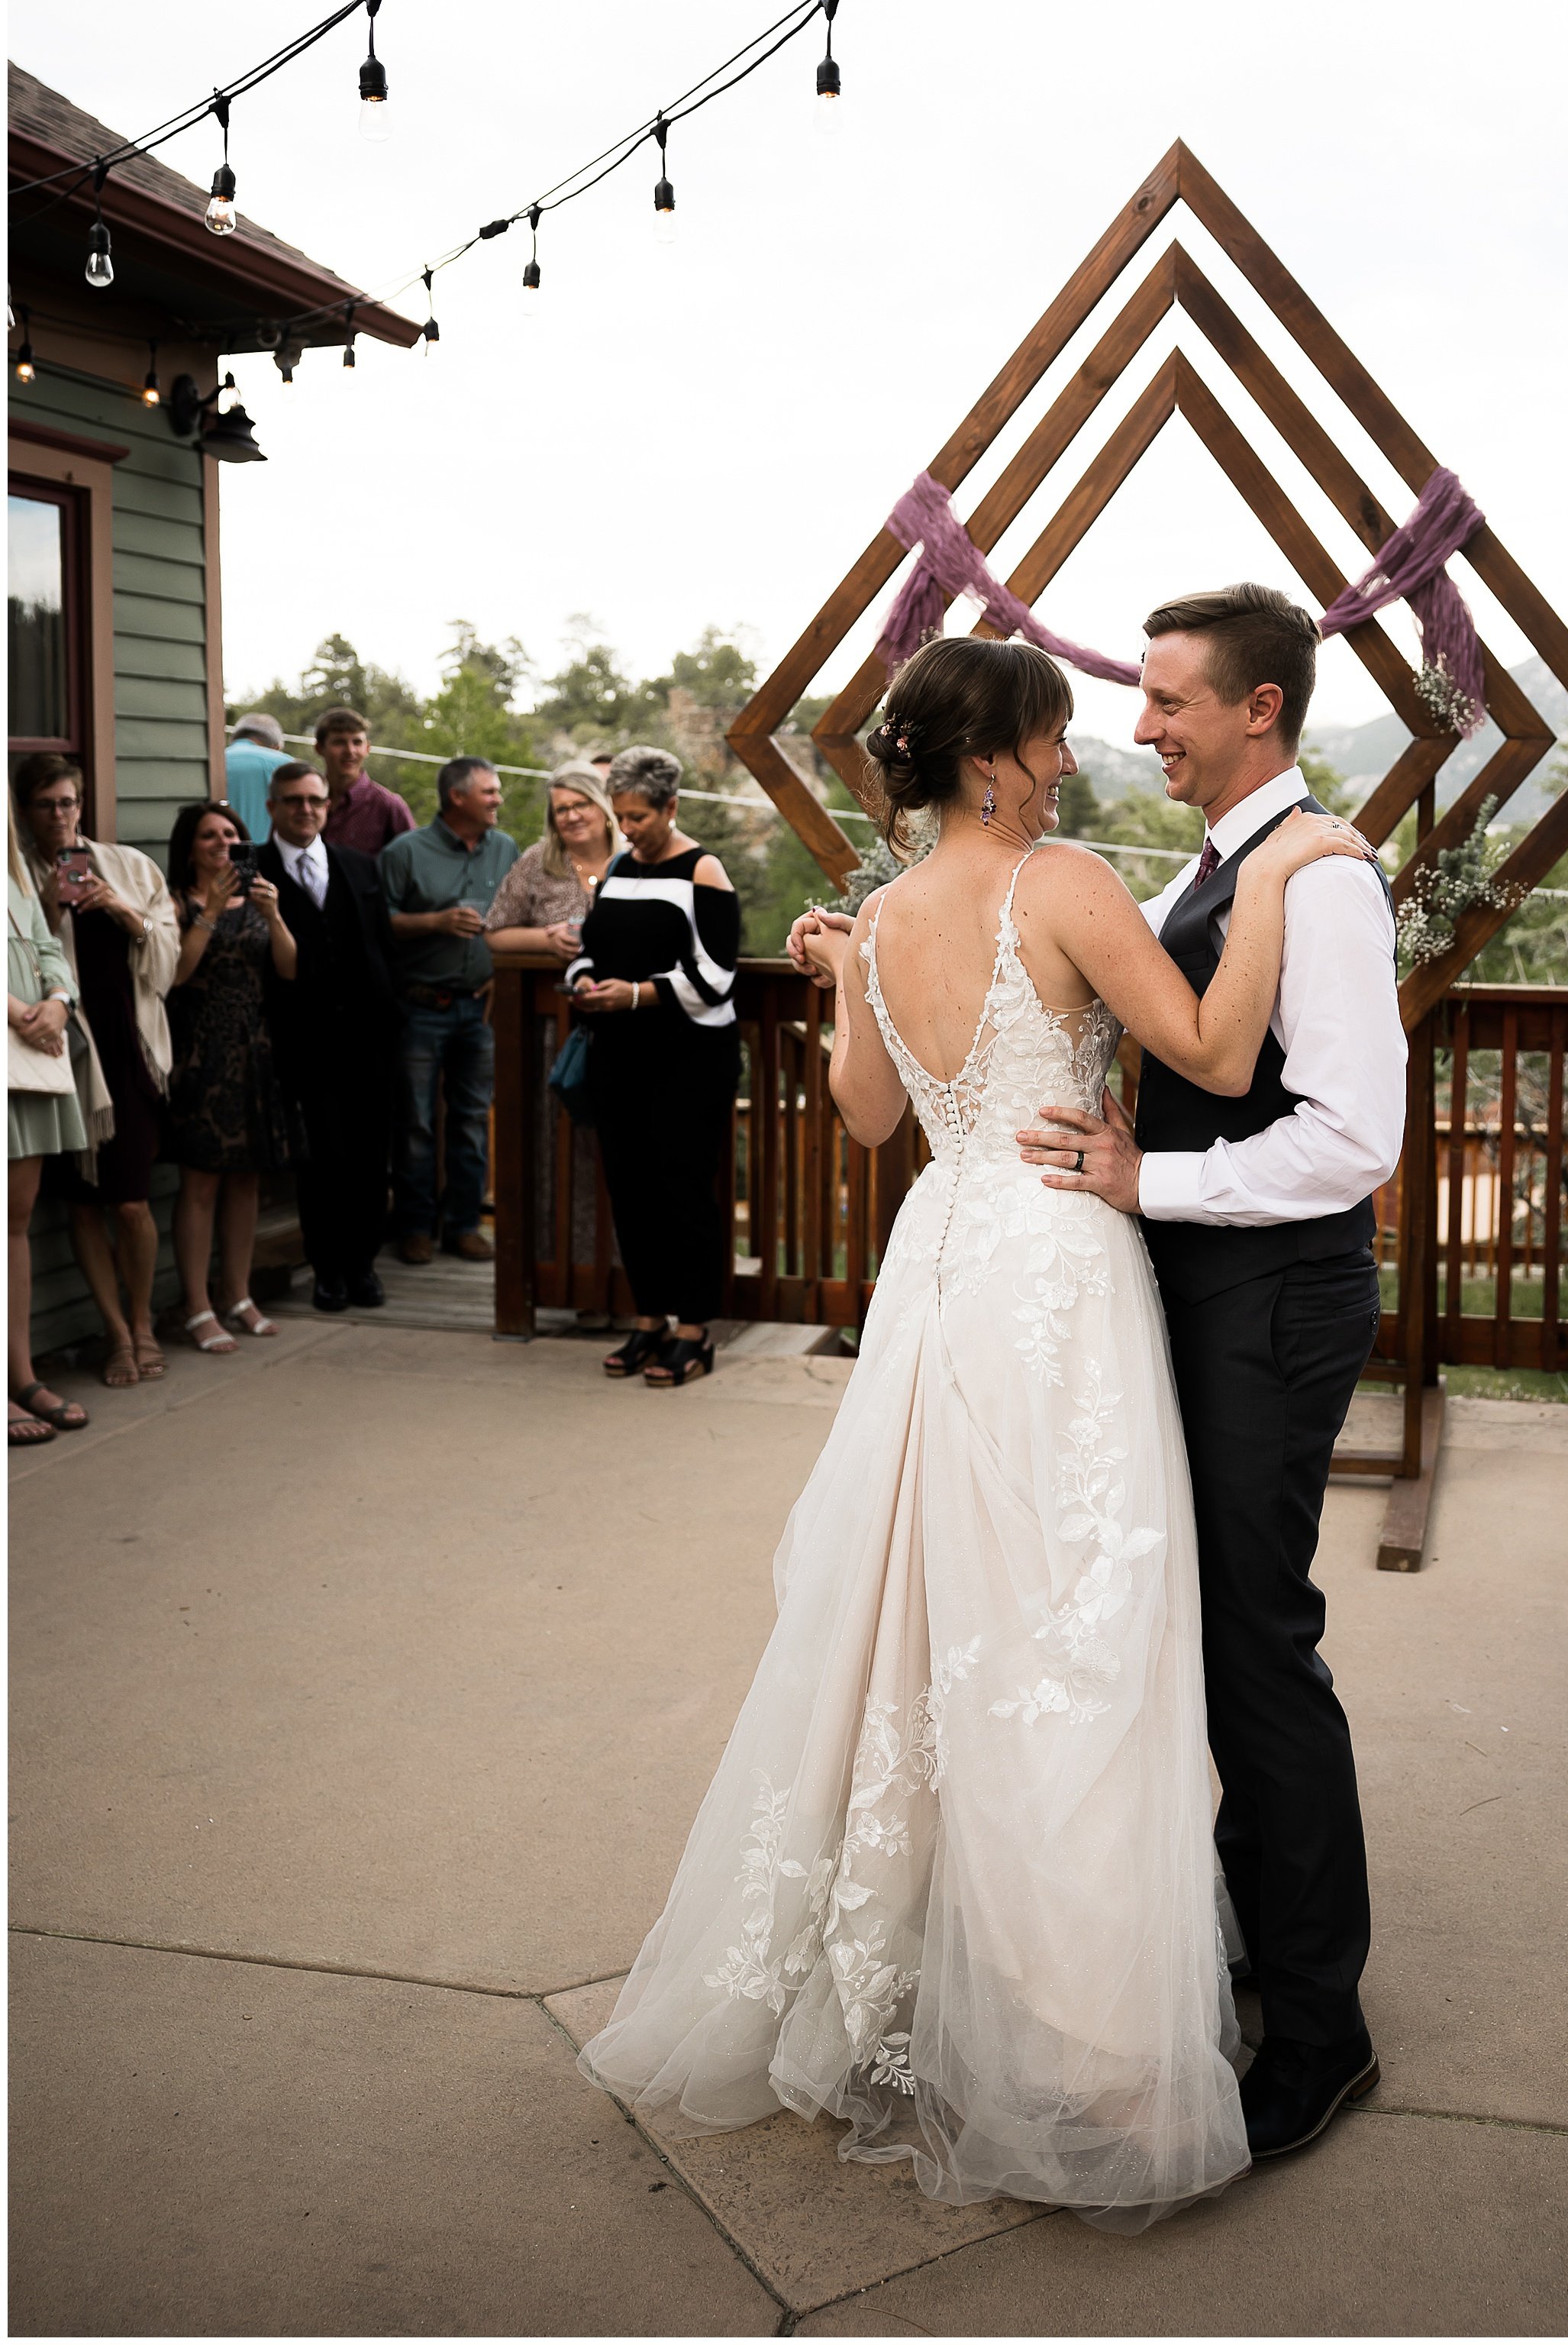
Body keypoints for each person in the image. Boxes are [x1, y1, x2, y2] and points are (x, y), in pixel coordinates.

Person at [576, 637, 1367, 2229]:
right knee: (1073, 1621)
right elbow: (1211, 1051)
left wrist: (840, 985)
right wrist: (1289, 873)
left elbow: (869, 1119)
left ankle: (941, 1961)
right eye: (1057, 735)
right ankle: (1080, 2016)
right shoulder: (1064, 883)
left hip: (938, 1264)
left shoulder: (872, 918)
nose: (1074, 759)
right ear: (996, 754)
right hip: (1061, 1266)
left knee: (939, 1616)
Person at [1011, 583, 1408, 2163]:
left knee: (1256, 1645)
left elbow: (1344, 1138)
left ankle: (1321, 2029)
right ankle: (1252, 1933)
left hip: (1267, 1300)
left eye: (1168, 698)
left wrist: (1142, 1187)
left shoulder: (1320, 884)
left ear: (1258, 707)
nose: (1140, 723)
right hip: (1201, 1290)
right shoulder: (1224, 864)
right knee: (1205, 1628)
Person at [563, 748, 740, 1386]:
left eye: (639, 816)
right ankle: (649, 1320)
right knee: (631, 1192)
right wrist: (583, 982)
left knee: (683, 1192)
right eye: (622, 816)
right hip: (618, 1055)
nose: (628, 828)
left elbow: (717, 976)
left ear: (671, 806)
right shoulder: (616, 866)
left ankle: (694, 1331)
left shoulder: (704, 872)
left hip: (689, 1061)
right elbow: (590, 949)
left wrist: (635, 994)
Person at [15, 753, 179, 1389]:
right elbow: (28, 966)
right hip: (70, 1056)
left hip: (127, 1048)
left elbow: (164, 957)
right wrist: (55, 911)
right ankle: (115, 1335)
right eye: (45, 805)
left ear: (83, 805)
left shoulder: (131, 866)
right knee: (84, 1207)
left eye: (68, 803)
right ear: (26, 813)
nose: (59, 816)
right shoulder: (21, 876)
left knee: (132, 1202)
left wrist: (119, 907)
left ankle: (143, 1324)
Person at [263, 761, 403, 1314]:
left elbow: (384, 946)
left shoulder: (358, 865)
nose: (306, 810)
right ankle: (327, 1271)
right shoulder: (258, 870)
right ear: (273, 807)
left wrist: (396, 1013)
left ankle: (363, 1265)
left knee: (372, 1157)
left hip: (368, 1038)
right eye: (293, 801)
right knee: (321, 1161)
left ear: (327, 805)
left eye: (315, 800)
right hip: (301, 1041)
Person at [165, 799, 299, 1352]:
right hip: (202, 1053)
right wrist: (211, 912)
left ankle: (238, 1294)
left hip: (255, 1049)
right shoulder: (178, 903)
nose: (222, 845)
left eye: (231, 837)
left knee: (247, 1179)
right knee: (201, 1183)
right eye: (209, 837)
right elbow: (176, 973)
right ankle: (197, 1304)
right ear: (190, 848)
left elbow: (289, 967)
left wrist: (273, 916)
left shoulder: (259, 899)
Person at [380, 758, 518, 1265]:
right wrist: (435, 922)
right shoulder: (405, 853)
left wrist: (500, 974)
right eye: (490, 792)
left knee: (471, 1119)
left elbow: (518, 915)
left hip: (477, 1010)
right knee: (415, 1121)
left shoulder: (505, 850)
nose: (498, 800)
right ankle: (415, 1225)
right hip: (420, 1007)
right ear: (457, 797)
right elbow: (379, 925)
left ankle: (463, 1224)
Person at [8, 787, 89, 1442]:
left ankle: (21, 1373)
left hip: (24, 1063)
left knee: (16, 1220)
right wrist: (18, 1013)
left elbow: (49, 948)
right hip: (14, 1039)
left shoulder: (12, 878)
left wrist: (58, 1001)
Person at [485, 767, 618, 957]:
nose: (572, 817)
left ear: (604, 806)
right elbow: (493, 933)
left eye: (581, 805)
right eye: (562, 810)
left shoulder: (632, 861)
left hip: (620, 984)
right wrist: (547, 941)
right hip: (548, 984)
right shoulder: (536, 861)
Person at [311, 706, 415, 858]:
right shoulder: (304, 801)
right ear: (319, 748)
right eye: (339, 742)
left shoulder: (389, 807)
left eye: (357, 742)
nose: (350, 751)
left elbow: (414, 864)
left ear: (368, 748)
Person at [222, 712, 286, 844]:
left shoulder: (214, 762)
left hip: (221, 856)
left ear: (232, 739)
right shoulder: (288, 765)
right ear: (277, 747)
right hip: (273, 859)